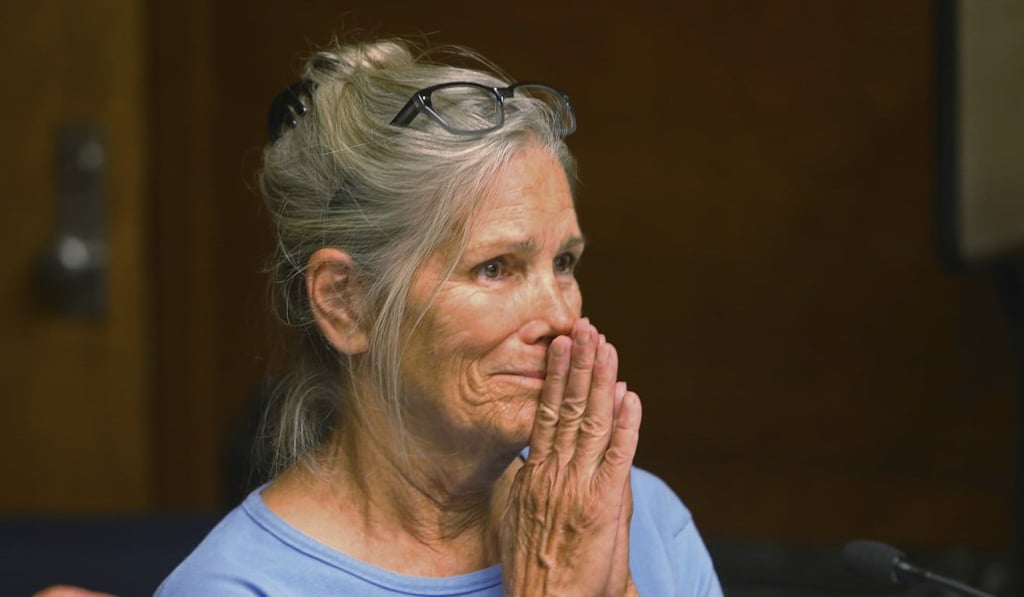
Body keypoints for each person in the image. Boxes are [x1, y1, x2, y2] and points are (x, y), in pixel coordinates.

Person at [157, 38, 722, 596]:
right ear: (347, 302)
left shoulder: (640, 519)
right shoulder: (238, 587)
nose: (560, 317)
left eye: (565, 262)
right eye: (495, 268)